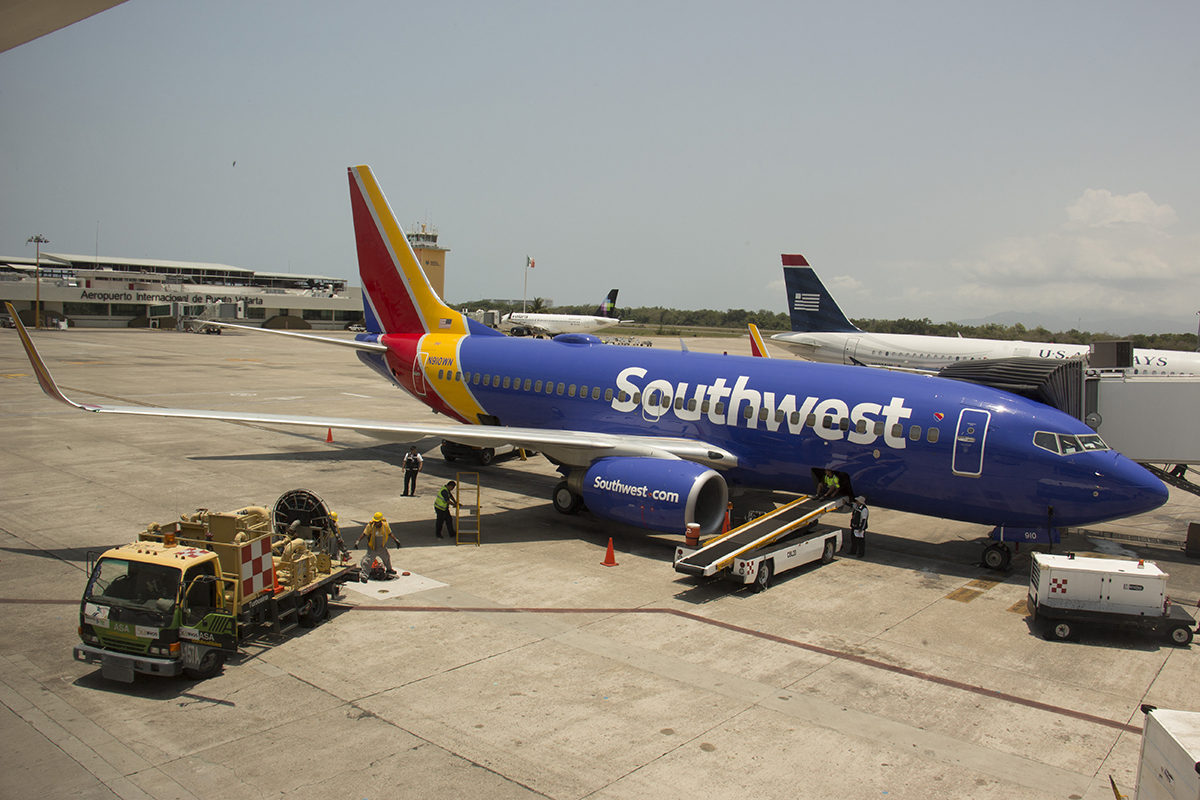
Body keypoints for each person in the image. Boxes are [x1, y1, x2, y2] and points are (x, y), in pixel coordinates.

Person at [356, 512, 399, 577]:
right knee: (367, 561)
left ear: (381, 521)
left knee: (387, 558)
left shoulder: (385, 525)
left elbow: (390, 533)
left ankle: (389, 569)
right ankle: (364, 575)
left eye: (377, 522)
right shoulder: (370, 526)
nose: (376, 523)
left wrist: (396, 540)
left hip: (382, 548)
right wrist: (358, 541)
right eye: (375, 521)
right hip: (373, 548)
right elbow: (364, 534)